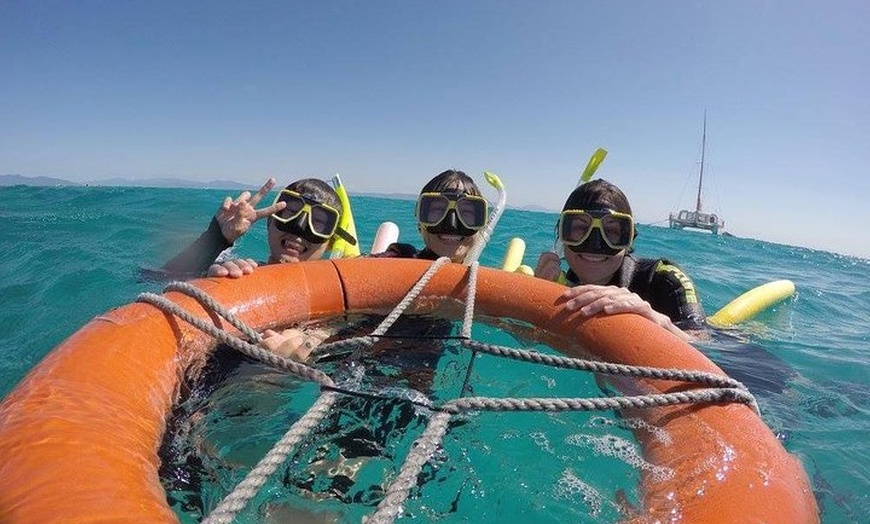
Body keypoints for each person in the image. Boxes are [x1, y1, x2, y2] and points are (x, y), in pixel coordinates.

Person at [535, 179, 706, 340]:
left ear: (630, 238)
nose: (595, 245)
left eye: (611, 232)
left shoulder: (665, 280)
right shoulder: (559, 284)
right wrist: (538, 302)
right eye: (580, 228)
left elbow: (709, 349)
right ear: (561, 235)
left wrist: (658, 323)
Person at [374, 169, 489, 263]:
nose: (452, 225)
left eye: (466, 212)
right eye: (438, 210)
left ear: (482, 226)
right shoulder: (398, 260)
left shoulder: (485, 282)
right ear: (420, 225)